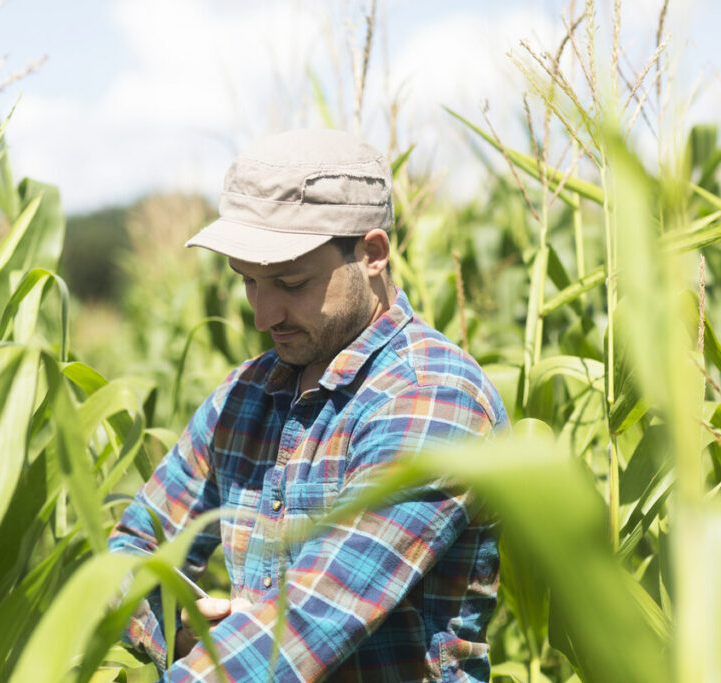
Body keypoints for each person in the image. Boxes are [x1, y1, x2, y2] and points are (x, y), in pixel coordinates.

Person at [108, 128, 508, 682]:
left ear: (371, 254)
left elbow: (311, 621)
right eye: (248, 281)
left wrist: (225, 649)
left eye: (290, 282)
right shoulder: (245, 395)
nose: (262, 315)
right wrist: (184, 630)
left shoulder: (433, 399)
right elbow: (134, 546)